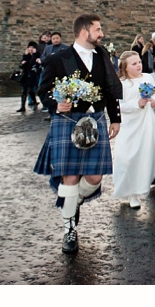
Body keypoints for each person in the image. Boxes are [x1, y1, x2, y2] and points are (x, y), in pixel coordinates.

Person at [34, 14, 122, 255]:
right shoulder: (58, 59)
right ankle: (69, 229)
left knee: (94, 178)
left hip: (95, 120)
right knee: (70, 178)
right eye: (98, 29)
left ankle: (74, 201)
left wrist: (115, 118)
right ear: (85, 32)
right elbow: (43, 90)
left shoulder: (102, 55)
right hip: (67, 120)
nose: (101, 34)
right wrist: (55, 104)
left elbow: (111, 87)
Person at [113, 50, 155, 210]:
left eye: (139, 62)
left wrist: (154, 100)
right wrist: (137, 104)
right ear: (126, 67)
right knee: (127, 158)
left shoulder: (148, 78)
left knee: (144, 156)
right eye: (134, 64)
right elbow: (119, 105)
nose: (138, 66)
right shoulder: (122, 83)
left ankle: (138, 191)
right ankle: (128, 190)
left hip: (146, 123)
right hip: (129, 125)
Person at [17, 41, 42, 113]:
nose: (31, 49)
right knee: (23, 91)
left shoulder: (37, 55)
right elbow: (21, 66)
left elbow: (32, 63)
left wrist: (34, 54)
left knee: (30, 90)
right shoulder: (25, 55)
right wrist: (22, 64)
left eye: (32, 47)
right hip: (25, 75)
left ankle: (34, 101)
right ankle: (22, 106)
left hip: (32, 75)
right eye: (30, 47)